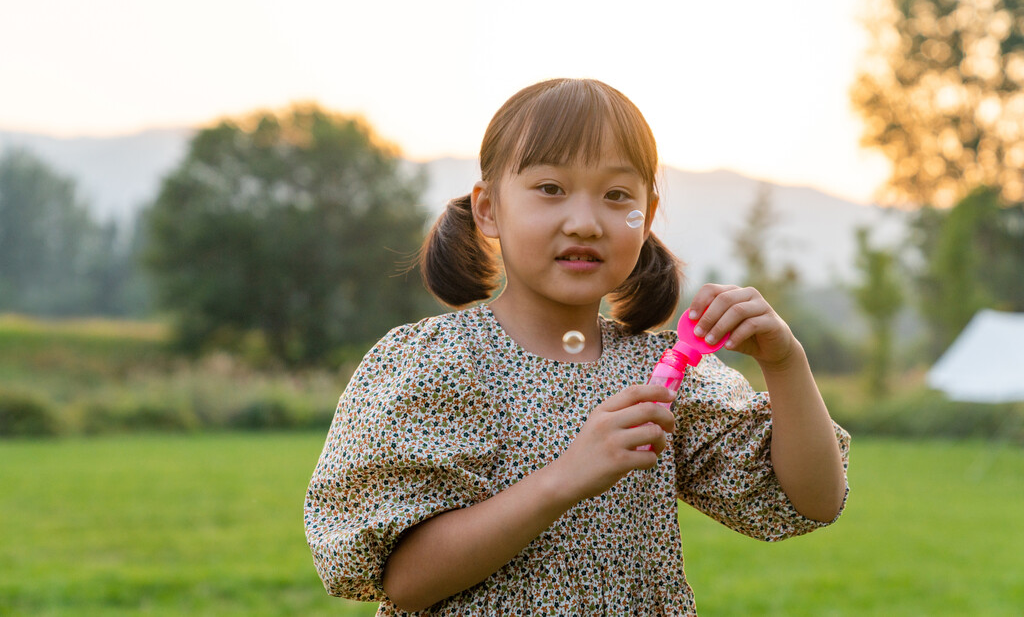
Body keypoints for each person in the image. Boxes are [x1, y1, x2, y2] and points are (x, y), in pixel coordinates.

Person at [305, 78, 850, 616]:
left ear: (647, 217)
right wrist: (566, 478)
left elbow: (814, 500)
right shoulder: (438, 364)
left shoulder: (659, 373)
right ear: (489, 209)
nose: (586, 223)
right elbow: (404, 581)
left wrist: (785, 362)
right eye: (550, 189)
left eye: (617, 196)